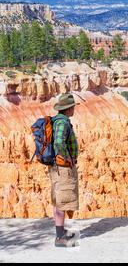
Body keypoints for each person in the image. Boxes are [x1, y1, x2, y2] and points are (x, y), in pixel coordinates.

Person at [49, 93, 80, 247]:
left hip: (57, 167)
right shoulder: (63, 123)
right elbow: (59, 143)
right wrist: (67, 158)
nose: (74, 109)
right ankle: (60, 238)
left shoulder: (58, 121)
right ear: (68, 109)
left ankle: (60, 231)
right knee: (62, 201)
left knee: (57, 200)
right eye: (73, 107)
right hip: (62, 167)